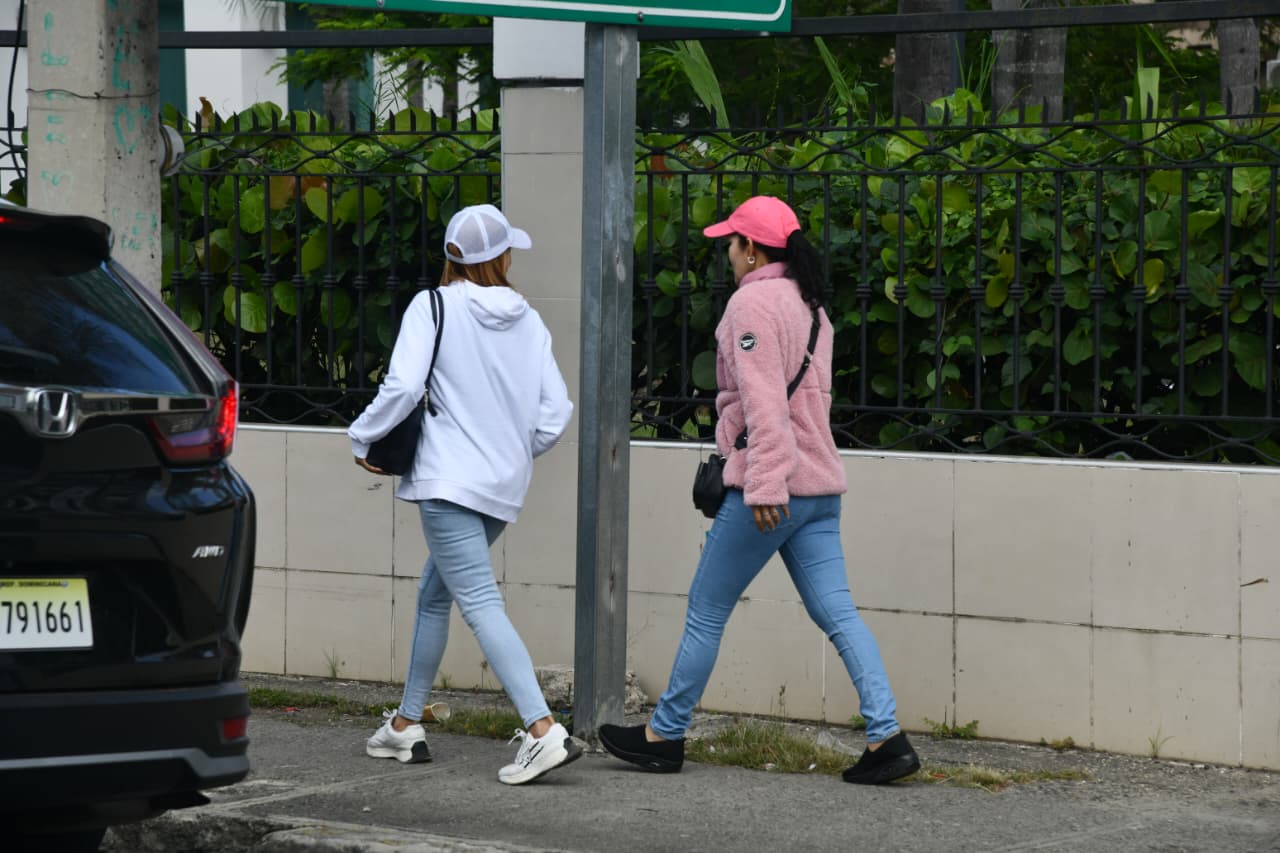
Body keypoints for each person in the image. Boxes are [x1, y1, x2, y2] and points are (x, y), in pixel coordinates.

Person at [597, 195, 921, 785]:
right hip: (820, 487)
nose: (726, 252)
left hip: (775, 491)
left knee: (705, 611)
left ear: (752, 249)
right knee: (840, 614)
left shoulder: (751, 304)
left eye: (731, 242)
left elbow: (766, 403)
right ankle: (887, 738)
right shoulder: (812, 305)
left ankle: (663, 736)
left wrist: (766, 484)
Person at [348, 203, 579, 786]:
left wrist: (361, 436)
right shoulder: (529, 320)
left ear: (451, 258)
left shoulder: (433, 306)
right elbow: (555, 415)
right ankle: (404, 726)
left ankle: (541, 729)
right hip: (501, 486)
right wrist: (510, 454)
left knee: (478, 601)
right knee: (435, 593)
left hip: (449, 482)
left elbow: (403, 386)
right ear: (501, 257)